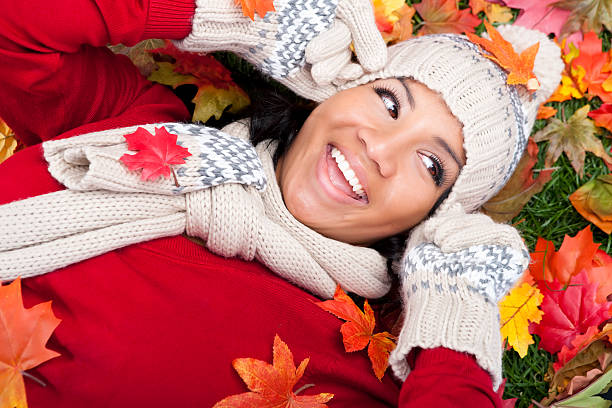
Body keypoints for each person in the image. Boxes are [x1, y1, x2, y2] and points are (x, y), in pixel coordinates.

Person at [0, 0, 563, 406]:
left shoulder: (354, 366)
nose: (381, 150)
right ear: (333, 93)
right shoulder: (142, 123)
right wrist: (235, 14)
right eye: (389, 102)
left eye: (431, 164)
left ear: (435, 217)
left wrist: (455, 321)